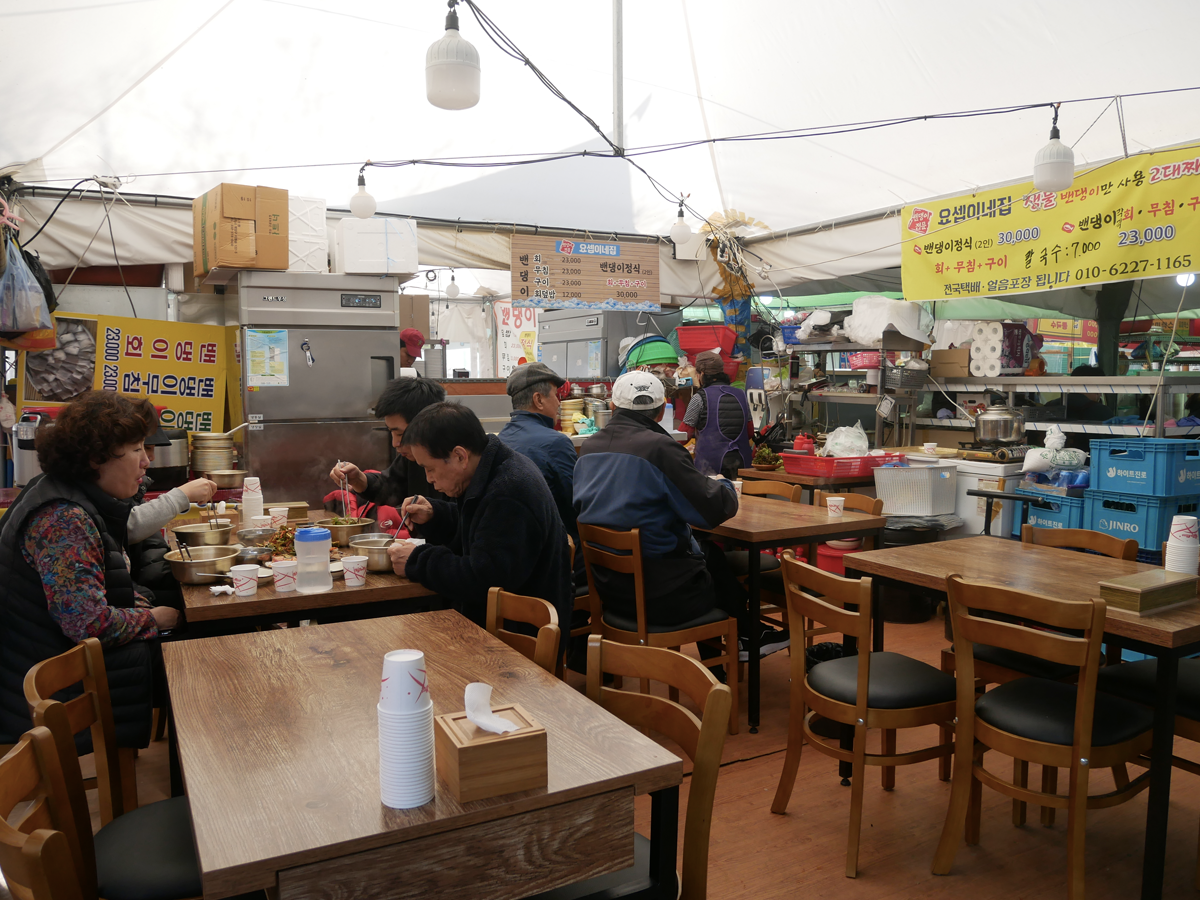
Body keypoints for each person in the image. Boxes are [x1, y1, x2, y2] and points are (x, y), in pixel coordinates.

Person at [0, 391, 180, 749]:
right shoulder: (63, 518)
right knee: (200, 654)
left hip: (52, 657)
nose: (146, 462)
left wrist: (138, 601)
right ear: (97, 458)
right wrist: (153, 619)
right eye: (137, 450)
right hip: (50, 684)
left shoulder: (64, 492)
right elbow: (86, 623)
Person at [574, 370, 787, 665]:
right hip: (662, 598)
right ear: (662, 410)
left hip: (611, 590)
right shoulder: (660, 449)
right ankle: (746, 636)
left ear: (612, 407)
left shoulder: (588, 448)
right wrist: (723, 484)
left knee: (708, 557)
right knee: (712, 563)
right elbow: (713, 509)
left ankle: (734, 652)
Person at [387, 402, 572, 632]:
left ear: (459, 456)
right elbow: (484, 527)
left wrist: (417, 561)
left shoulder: (509, 491)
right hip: (490, 622)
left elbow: (483, 578)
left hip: (516, 639)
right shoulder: (490, 469)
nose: (428, 479)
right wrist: (436, 515)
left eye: (430, 468)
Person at [497, 362, 584, 587]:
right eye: (556, 396)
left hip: (510, 558)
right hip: (553, 560)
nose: (559, 403)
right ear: (539, 399)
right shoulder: (555, 443)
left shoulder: (498, 440)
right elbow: (576, 503)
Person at [329, 376, 448, 511]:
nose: (395, 443)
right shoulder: (410, 458)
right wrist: (358, 479)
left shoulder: (455, 460)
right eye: (391, 432)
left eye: (401, 434)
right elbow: (390, 488)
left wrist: (434, 515)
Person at [683, 350, 753, 478]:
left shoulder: (699, 397)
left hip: (711, 471)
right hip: (742, 468)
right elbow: (749, 432)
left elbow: (684, 435)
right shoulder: (741, 394)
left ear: (702, 374)